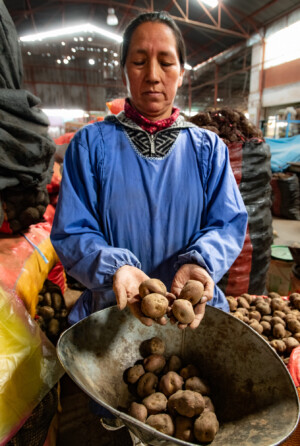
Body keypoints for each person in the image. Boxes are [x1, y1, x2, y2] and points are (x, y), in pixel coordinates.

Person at [50, 11, 248, 331]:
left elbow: (227, 224)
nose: (153, 75)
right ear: (124, 71)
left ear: (181, 72)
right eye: (140, 61)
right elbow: (73, 232)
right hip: (112, 311)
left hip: (190, 315)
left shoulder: (208, 148)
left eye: (166, 62)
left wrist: (201, 262)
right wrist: (116, 269)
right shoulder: (90, 144)